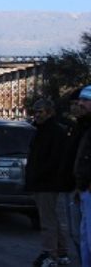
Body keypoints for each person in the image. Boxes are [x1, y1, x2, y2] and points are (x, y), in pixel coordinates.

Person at [26, 98, 71, 267]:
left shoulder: (54, 132)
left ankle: (49, 254)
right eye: (35, 111)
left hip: (47, 182)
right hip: (43, 181)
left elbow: (54, 160)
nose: (36, 115)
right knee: (52, 218)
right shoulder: (41, 130)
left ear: (50, 112)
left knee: (47, 221)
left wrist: (38, 175)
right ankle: (62, 252)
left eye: (40, 111)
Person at [72, 85, 91, 267]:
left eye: (86, 100)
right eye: (80, 100)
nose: (80, 103)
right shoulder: (84, 126)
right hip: (83, 189)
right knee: (84, 237)